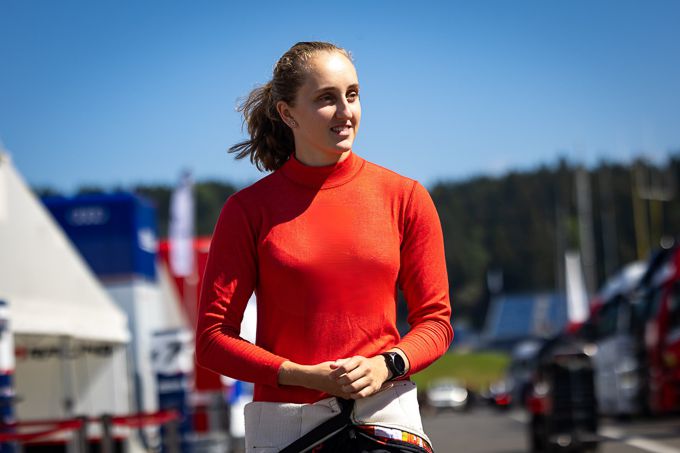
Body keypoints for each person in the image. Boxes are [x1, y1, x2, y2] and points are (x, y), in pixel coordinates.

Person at [196, 41, 453, 452]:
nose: (345, 111)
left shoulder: (405, 197)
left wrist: (386, 365)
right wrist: (301, 374)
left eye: (352, 94)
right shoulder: (247, 210)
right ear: (287, 113)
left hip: (383, 422)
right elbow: (212, 340)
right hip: (290, 430)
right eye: (326, 99)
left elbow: (436, 323)